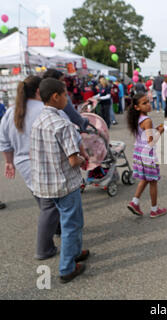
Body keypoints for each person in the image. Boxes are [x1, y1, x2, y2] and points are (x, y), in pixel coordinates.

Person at [0, 76, 89, 259]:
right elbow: (73, 138)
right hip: (51, 167)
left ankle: (58, 240)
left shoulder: (12, 112)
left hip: (25, 166)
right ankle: (53, 251)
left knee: (49, 207)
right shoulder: (51, 113)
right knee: (56, 211)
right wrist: (82, 157)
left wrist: (9, 162)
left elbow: (5, 142)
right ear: (40, 91)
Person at [30, 78, 90, 283]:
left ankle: (74, 253)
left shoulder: (38, 121)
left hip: (44, 185)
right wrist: (84, 159)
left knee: (69, 222)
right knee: (72, 224)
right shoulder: (62, 123)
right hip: (64, 185)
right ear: (55, 96)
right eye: (65, 95)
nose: (68, 98)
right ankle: (67, 268)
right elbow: (74, 160)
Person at [126, 93, 167, 219]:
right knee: (153, 181)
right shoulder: (147, 120)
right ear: (137, 107)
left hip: (139, 152)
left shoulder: (138, 118)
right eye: (144, 103)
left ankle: (135, 202)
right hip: (147, 154)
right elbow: (151, 141)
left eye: (148, 101)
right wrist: (160, 131)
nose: (148, 104)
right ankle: (154, 209)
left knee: (145, 178)